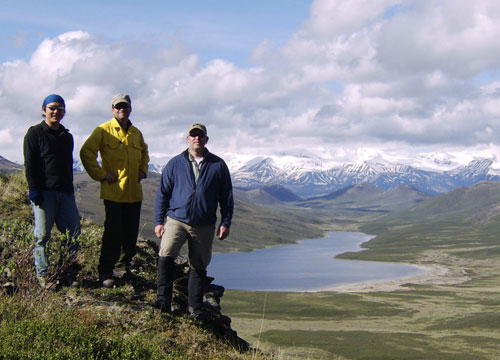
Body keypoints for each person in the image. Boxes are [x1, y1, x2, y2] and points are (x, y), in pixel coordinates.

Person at [153, 123, 234, 318]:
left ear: (206, 139)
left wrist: (225, 222)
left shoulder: (218, 165)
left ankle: (195, 308)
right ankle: (163, 300)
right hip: (176, 219)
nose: (197, 138)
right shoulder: (175, 163)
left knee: (199, 264)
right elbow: (162, 194)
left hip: (204, 223)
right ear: (187, 139)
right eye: (193, 135)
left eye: (201, 135)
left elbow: (226, 196)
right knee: (166, 254)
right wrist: (159, 220)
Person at [80, 93, 149, 288]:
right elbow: (86, 152)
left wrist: (143, 171)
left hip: (134, 193)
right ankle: (105, 271)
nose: (122, 110)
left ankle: (124, 268)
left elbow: (144, 152)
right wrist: (102, 174)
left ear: (130, 109)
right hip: (114, 193)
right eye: (118, 107)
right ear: (112, 109)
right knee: (113, 232)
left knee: (130, 233)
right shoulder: (103, 130)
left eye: (125, 106)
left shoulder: (136, 133)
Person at [23, 94, 81, 288]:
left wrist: (70, 190)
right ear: (44, 110)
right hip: (44, 192)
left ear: (64, 112)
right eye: (52, 108)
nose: (56, 112)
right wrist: (33, 189)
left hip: (65, 193)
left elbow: (66, 166)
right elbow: (30, 164)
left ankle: (67, 273)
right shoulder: (34, 133)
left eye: (60, 108)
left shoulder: (67, 137)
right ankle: (43, 275)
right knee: (42, 235)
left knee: (73, 234)